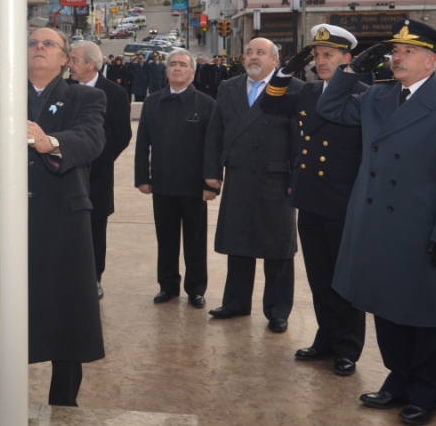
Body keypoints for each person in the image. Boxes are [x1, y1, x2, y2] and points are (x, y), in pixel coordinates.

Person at [317, 19, 436, 425]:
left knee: (423, 313)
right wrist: (352, 70)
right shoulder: (378, 96)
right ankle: (398, 378)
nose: (396, 57)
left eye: (407, 51)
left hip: (420, 228)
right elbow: (330, 107)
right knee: (386, 308)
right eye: (394, 51)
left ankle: (426, 393)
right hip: (374, 222)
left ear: (431, 60)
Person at [0, 27, 106, 407]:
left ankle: (63, 403)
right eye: (31, 43)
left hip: (62, 218)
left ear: (64, 60)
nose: (39, 48)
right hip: (9, 218)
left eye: (48, 44)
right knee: (6, 312)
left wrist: (52, 142)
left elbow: (91, 138)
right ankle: (4, 400)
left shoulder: (86, 97)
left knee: (66, 313)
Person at [259, 25, 368, 377]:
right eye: (317, 55)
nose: (321, 62)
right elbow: (268, 103)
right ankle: (326, 339)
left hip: (343, 198)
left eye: (329, 55)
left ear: (347, 59)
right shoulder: (306, 92)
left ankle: (347, 347)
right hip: (310, 196)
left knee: (344, 278)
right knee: (319, 276)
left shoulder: (364, 95)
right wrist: (288, 69)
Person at [204, 38, 301, 333]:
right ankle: (235, 302)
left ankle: (277, 311)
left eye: (260, 52)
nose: (253, 57)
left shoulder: (293, 88)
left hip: (277, 180)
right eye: (249, 52)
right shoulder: (229, 87)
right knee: (239, 244)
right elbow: (216, 130)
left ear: (275, 59)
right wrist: (212, 171)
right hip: (239, 175)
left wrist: (295, 180)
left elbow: (300, 139)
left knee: (278, 251)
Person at [135, 48, 214, 308]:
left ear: (192, 73)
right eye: (172, 64)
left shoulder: (206, 104)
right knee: (166, 239)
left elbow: (213, 147)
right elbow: (143, 143)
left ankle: (196, 289)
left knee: (195, 240)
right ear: (166, 71)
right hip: (163, 184)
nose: (177, 68)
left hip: (194, 188)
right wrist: (142, 178)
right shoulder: (152, 102)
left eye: (182, 65)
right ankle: (167, 286)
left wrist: (210, 183)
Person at [67, 41, 131, 299]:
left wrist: (99, 159)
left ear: (90, 64)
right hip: (65, 173)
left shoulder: (114, 93)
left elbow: (122, 135)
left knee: (95, 229)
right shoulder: (64, 90)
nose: (68, 65)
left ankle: (94, 278)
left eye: (73, 60)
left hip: (98, 175)